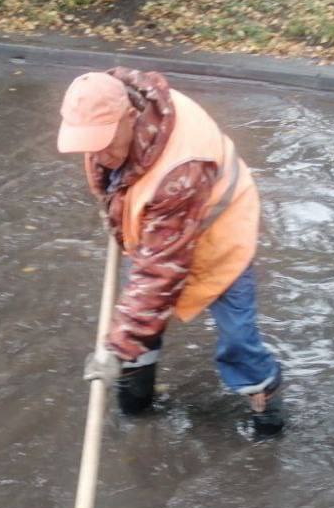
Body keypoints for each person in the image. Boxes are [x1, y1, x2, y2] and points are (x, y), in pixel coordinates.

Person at [56, 69, 283, 436]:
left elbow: (161, 271)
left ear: (130, 116)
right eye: (88, 144)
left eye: (105, 142)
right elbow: (118, 190)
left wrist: (113, 349)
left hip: (219, 236)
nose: (97, 153)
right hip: (157, 232)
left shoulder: (181, 167)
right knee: (139, 319)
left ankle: (267, 407)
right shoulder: (106, 121)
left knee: (237, 338)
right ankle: (136, 396)